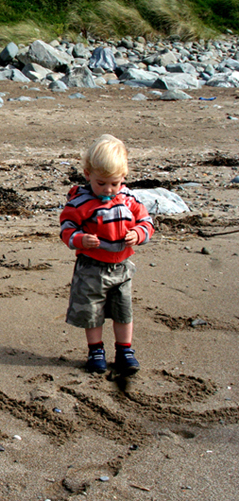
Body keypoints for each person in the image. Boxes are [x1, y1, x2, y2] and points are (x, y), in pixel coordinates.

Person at [60, 134, 154, 375]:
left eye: (114, 183)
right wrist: (80, 239)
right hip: (91, 267)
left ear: (124, 177)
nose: (108, 189)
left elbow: (146, 222)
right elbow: (67, 229)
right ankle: (96, 351)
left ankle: (125, 350)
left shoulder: (128, 199)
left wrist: (138, 234)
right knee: (91, 312)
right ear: (88, 174)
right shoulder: (80, 202)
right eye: (101, 183)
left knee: (123, 311)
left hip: (121, 268)